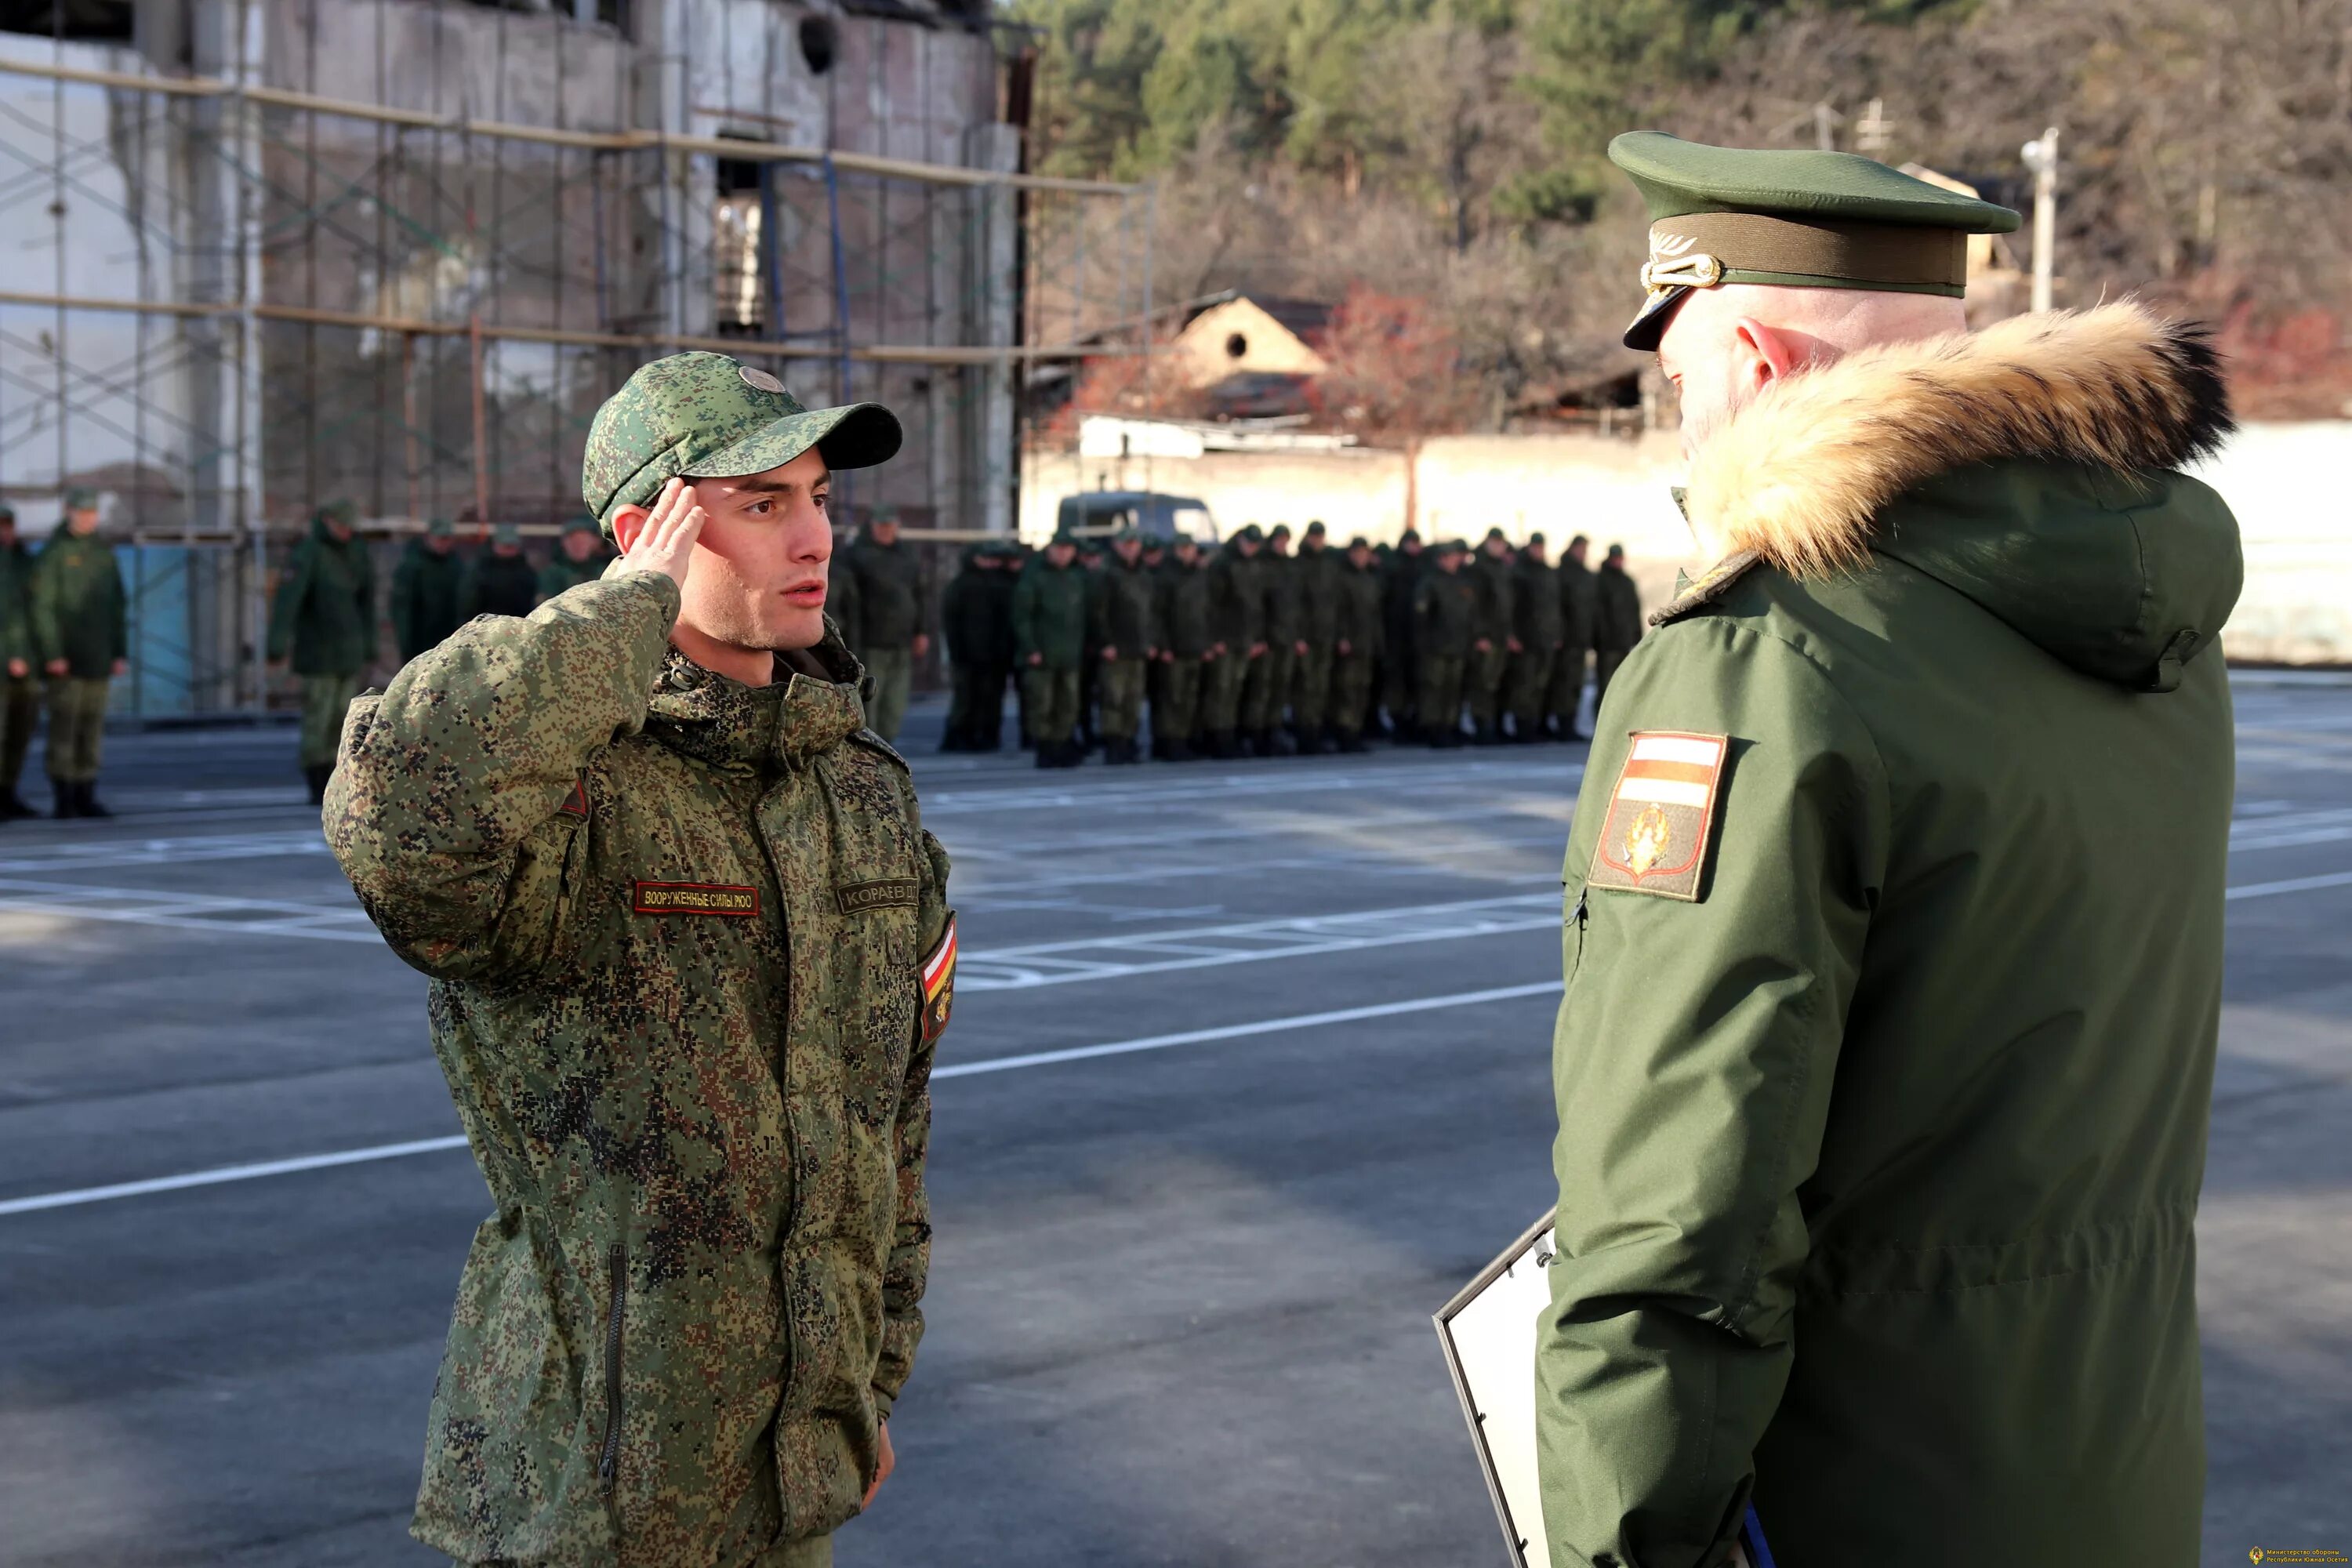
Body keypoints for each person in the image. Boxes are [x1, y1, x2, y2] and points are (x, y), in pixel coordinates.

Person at [1534, 132, 2239, 1568]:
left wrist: (1624, 1540)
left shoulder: (1773, 657)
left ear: (1769, 367)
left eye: (1682, 385)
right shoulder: (2138, 618)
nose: (1679, 430)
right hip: (2106, 1475)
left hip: (1856, 1496)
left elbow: (1686, 1211)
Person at [326, 351, 946, 1568]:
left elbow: (890, 1127)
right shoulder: (571, 789)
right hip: (588, 1498)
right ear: (643, 534)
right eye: (761, 504)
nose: (812, 534)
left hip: (789, 1488)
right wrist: (621, 614)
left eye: (818, 497)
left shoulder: (860, 797)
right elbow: (401, 814)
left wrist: (867, 1380)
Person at [267, 499, 379, 804]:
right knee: (319, 716)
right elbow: (288, 601)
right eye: (341, 525)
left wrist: (370, 645)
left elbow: (366, 602)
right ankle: (317, 780)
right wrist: (276, 644)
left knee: (344, 719)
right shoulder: (309, 553)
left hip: (348, 651)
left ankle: (338, 778)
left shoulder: (356, 553)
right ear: (328, 521)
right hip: (318, 653)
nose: (346, 532)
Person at [29, 487, 125, 818]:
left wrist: (119, 651)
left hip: (98, 655)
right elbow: (43, 608)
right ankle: (64, 794)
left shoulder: (102, 553)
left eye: (91, 513)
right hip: (66, 659)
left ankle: (86, 790)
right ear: (69, 512)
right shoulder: (54, 554)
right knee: (65, 728)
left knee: (91, 728)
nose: (87, 519)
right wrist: (53, 652)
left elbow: (116, 606)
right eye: (81, 512)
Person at [844, 506, 927, 742]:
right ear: (872, 527)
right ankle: (868, 748)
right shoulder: (855, 556)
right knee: (870, 700)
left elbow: (920, 594)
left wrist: (921, 631)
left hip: (901, 640)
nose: (886, 531)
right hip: (870, 642)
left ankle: (886, 746)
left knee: (895, 702)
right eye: (881, 526)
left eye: (890, 526)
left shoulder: (907, 555)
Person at [1012, 532, 1088, 768]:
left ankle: (1062, 743)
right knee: (1042, 702)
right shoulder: (1035, 578)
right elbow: (1021, 617)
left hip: (1069, 653)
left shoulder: (1077, 578)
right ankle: (1045, 746)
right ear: (1050, 549)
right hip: (1043, 654)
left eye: (1068, 549)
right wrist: (1030, 648)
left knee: (1068, 702)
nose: (1064, 553)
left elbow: (1084, 617)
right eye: (1059, 548)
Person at [1088, 528, 1157, 765]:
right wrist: (1105, 642)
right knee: (1113, 698)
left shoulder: (1143, 574)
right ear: (1116, 545)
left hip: (1138, 647)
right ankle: (1114, 742)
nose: (1131, 547)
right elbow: (1099, 612)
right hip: (1116, 648)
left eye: (1134, 543)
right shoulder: (1107, 573)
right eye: (1126, 543)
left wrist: (1150, 641)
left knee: (1133, 698)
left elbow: (1151, 612)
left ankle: (1128, 739)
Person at [1201, 525, 1265, 759]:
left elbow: (1257, 606)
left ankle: (1229, 735)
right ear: (1240, 539)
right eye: (1249, 543)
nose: (1252, 548)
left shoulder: (1255, 565)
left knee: (1235, 689)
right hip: (1225, 639)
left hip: (1245, 638)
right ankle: (1217, 737)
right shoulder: (1223, 565)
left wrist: (1257, 637)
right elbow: (1212, 605)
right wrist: (1215, 637)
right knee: (1221, 689)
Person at [1154, 534, 1218, 761]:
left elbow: (1208, 612)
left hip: (1196, 646)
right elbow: (1158, 614)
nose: (1186, 552)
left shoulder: (1200, 576)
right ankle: (1171, 742)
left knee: (1190, 697)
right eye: (1182, 549)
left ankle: (1187, 740)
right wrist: (1164, 645)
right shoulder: (1166, 576)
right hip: (1175, 647)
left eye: (1189, 548)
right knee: (1173, 698)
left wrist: (1208, 643)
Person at [1410, 539, 1475, 747]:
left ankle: (1450, 726)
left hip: (1458, 645)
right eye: (1450, 557)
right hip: (1435, 648)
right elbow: (1421, 617)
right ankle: (1433, 729)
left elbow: (1469, 614)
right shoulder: (1430, 583)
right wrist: (1425, 645)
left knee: (1453, 690)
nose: (1454, 560)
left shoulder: (1462, 582)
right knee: (1434, 690)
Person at [1508, 532, 1566, 744]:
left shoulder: (1549, 573)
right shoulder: (1519, 573)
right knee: (1525, 685)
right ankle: (1523, 727)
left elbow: (1555, 607)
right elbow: (1511, 607)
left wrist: (1557, 634)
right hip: (1527, 638)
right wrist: (1512, 634)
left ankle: (1537, 724)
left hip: (1547, 638)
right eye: (1535, 547)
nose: (1539, 551)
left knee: (1541, 684)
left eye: (1541, 547)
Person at [0, 505, 39, 819]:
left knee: (19, 734)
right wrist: (11, 654)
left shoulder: (26, 562)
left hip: (27, 664)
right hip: (6, 664)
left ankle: (8, 792)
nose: (5, 532)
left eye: (8, 525)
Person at [1327, 536, 1383, 753]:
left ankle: (1355, 730)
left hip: (1366, 643)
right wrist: (1342, 636)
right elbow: (1338, 611)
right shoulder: (1343, 579)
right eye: (1358, 553)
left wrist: (1379, 641)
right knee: (1347, 690)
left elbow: (1375, 614)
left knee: (1362, 688)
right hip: (1350, 643)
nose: (1362, 557)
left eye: (1365, 553)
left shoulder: (1369, 579)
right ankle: (1344, 732)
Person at [1290, 521, 1341, 753]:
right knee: (1306, 687)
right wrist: (1298, 635)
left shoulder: (1328, 565)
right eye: (1314, 536)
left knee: (1320, 686)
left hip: (1325, 634)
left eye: (1321, 536)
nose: (1317, 540)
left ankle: (1316, 730)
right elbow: (1294, 605)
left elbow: (1335, 601)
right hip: (1307, 637)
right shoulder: (1299, 565)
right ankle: (1305, 733)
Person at [1465, 528, 1518, 745]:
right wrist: (1479, 635)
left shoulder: (1502, 569)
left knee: (1497, 683)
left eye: (1501, 543)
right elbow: (1475, 606)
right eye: (1494, 543)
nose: (1498, 547)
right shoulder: (1479, 569)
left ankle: (1495, 726)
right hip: (1487, 637)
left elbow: (1507, 606)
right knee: (1483, 684)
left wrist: (1510, 634)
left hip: (1501, 636)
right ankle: (1482, 728)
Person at [391, 517, 468, 662]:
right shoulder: (413, 566)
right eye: (440, 538)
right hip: (420, 641)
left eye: (447, 539)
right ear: (428, 538)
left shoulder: (456, 566)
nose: (444, 543)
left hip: (449, 640)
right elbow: (402, 608)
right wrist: (406, 644)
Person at [1380, 528, 1425, 739]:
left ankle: (1412, 720)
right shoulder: (1393, 567)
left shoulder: (1422, 568)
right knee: (1397, 682)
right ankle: (1398, 721)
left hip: (1416, 634)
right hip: (1396, 633)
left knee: (1414, 681)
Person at [1555, 534, 1599, 739]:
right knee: (1563, 683)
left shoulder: (1586, 575)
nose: (1583, 553)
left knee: (1575, 683)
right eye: (1580, 549)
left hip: (1581, 638)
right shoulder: (1563, 574)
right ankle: (1563, 725)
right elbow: (1557, 608)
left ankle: (1570, 725)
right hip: (1566, 639)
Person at [1592, 543, 1643, 708]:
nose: (1618, 561)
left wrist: (1637, 636)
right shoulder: (1600, 581)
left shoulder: (1627, 582)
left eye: (1620, 558)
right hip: (1607, 645)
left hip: (1624, 642)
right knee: (1605, 686)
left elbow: (1635, 610)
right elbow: (1597, 614)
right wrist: (1600, 638)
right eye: (1615, 558)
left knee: (1622, 685)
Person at [459, 522, 539, 619]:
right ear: (495, 545)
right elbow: (468, 603)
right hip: (486, 626)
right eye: (505, 546)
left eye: (512, 546)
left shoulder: (525, 571)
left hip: (517, 626)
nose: (509, 550)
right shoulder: (480, 570)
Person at [535, 514, 610, 604]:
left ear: (594, 543)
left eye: (583, 541)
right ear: (564, 543)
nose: (578, 546)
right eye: (574, 541)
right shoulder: (552, 574)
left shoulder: (605, 572)